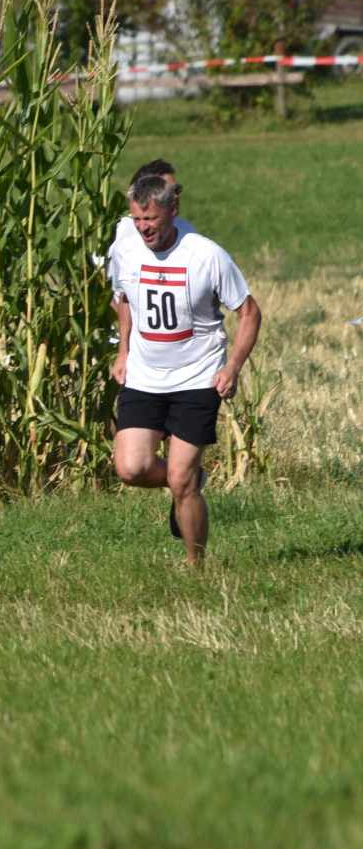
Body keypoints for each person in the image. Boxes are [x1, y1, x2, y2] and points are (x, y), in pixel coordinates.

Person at [110, 176, 262, 565]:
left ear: (173, 211)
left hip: (197, 377)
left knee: (180, 480)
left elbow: (248, 313)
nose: (143, 227)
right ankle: (193, 480)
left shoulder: (206, 255)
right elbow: (123, 300)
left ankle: (195, 567)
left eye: (150, 219)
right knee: (130, 468)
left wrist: (232, 367)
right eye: (137, 219)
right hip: (144, 377)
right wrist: (123, 351)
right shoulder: (126, 250)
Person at [104, 158, 196, 311]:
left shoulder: (186, 229)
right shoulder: (125, 234)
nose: (175, 197)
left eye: (177, 190)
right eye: (168, 192)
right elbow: (117, 295)